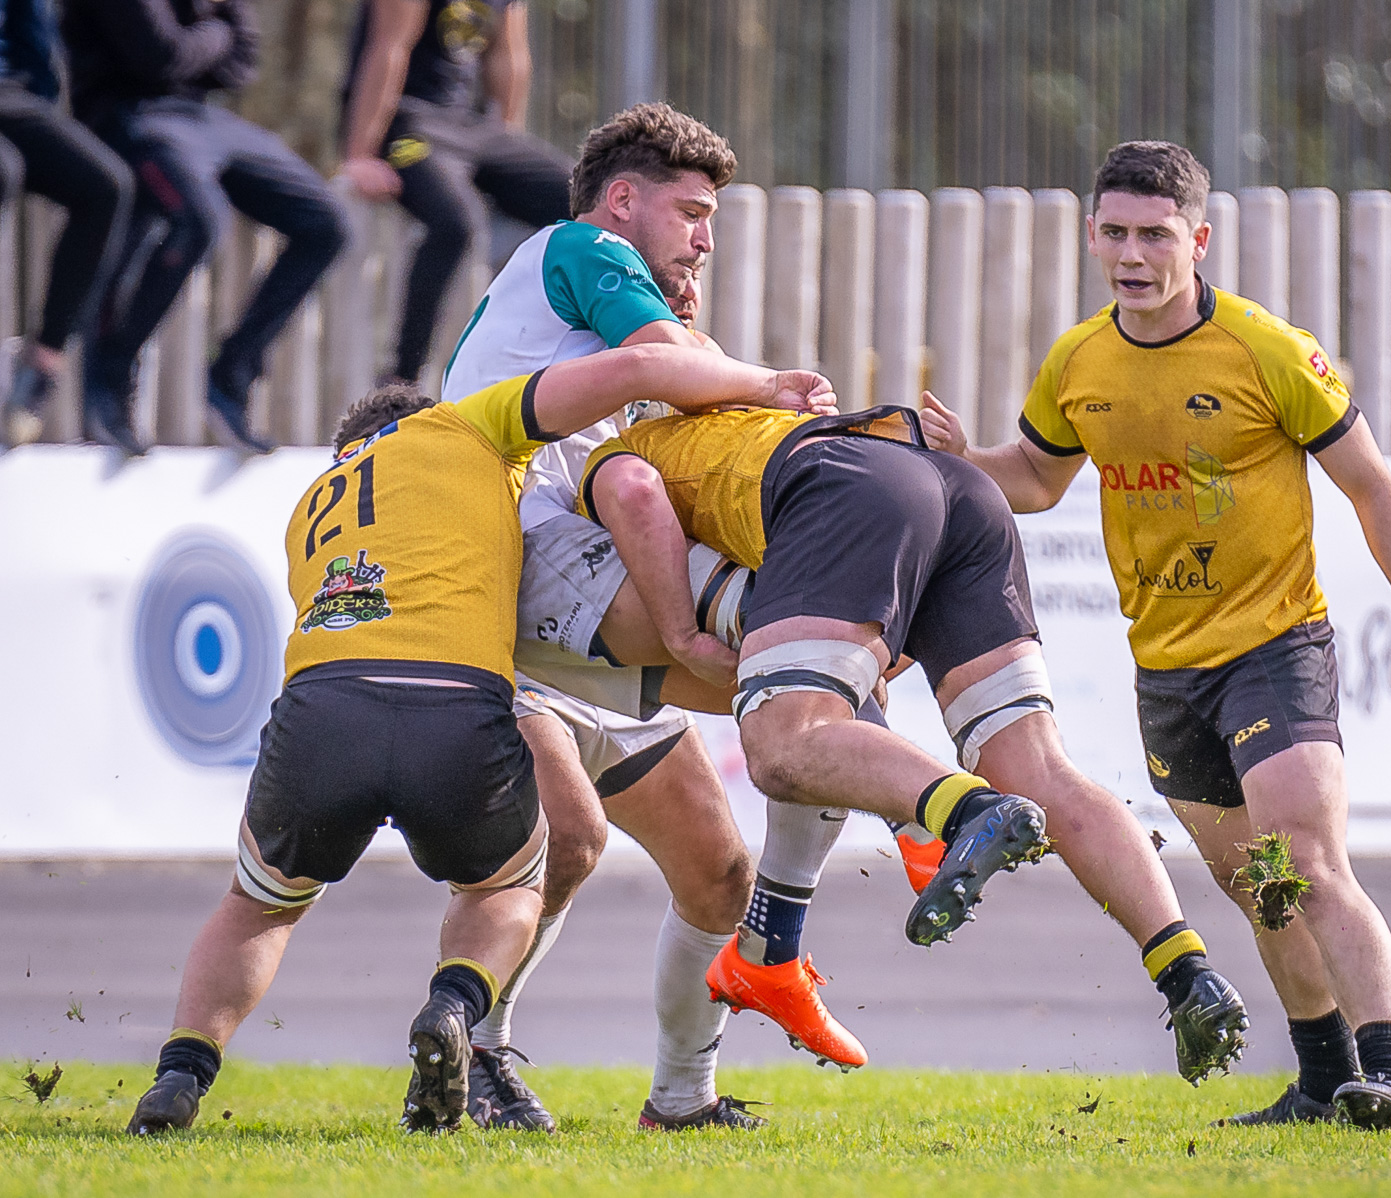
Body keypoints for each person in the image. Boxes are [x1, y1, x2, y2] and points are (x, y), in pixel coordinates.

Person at [124, 334, 833, 1136]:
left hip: (323, 707)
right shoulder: (468, 429)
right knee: (509, 885)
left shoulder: (312, 504)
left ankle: (179, 1077)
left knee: (258, 907)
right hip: (458, 700)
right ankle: (457, 1013)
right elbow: (632, 371)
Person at [920, 140, 1391, 1134]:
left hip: (1275, 644)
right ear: (1093, 236)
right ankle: (1319, 1079)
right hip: (1166, 669)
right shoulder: (1079, 362)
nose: (1135, 252)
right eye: (1117, 232)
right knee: (1253, 881)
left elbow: (1372, 486)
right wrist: (960, 461)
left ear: (1198, 239)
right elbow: (1039, 480)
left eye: (1156, 234)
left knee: (1301, 854)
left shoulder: (1266, 351)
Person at [573, 398, 1254, 1089]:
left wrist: (685, 638)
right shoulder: (740, 410)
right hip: (957, 491)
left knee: (786, 742)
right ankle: (1185, 969)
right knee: (1041, 769)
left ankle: (962, 814)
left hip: (848, 492)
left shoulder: (612, 460)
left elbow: (651, 535)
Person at [438, 103, 869, 1130]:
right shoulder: (583, 247)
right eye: (692, 212)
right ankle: (473, 1050)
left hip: (596, 593)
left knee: (722, 861)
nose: (706, 237)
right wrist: (765, 381)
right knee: (571, 838)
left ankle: (681, 1098)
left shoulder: (617, 317)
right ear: (622, 201)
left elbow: (694, 405)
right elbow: (679, 373)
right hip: (523, 590)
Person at [62, 0, 348, 456]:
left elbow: (244, 64)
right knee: (200, 221)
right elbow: (159, 58)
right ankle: (110, 375)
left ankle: (231, 373)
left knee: (327, 224)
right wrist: (219, 30)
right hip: (127, 114)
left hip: (202, 117)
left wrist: (204, 40)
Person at [340, 0, 572, 386]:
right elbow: (388, 47)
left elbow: (508, 57)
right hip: (406, 121)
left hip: (467, 124)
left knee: (580, 199)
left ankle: (565, 360)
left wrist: (505, 152)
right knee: (455, 222)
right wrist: (360, 153)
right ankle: (401, 378)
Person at [0, 0, 133, 447]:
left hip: (8, 94)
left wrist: (43, 107)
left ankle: (42, 366)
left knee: (107, 186)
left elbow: (32, 30)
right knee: (5, 170)